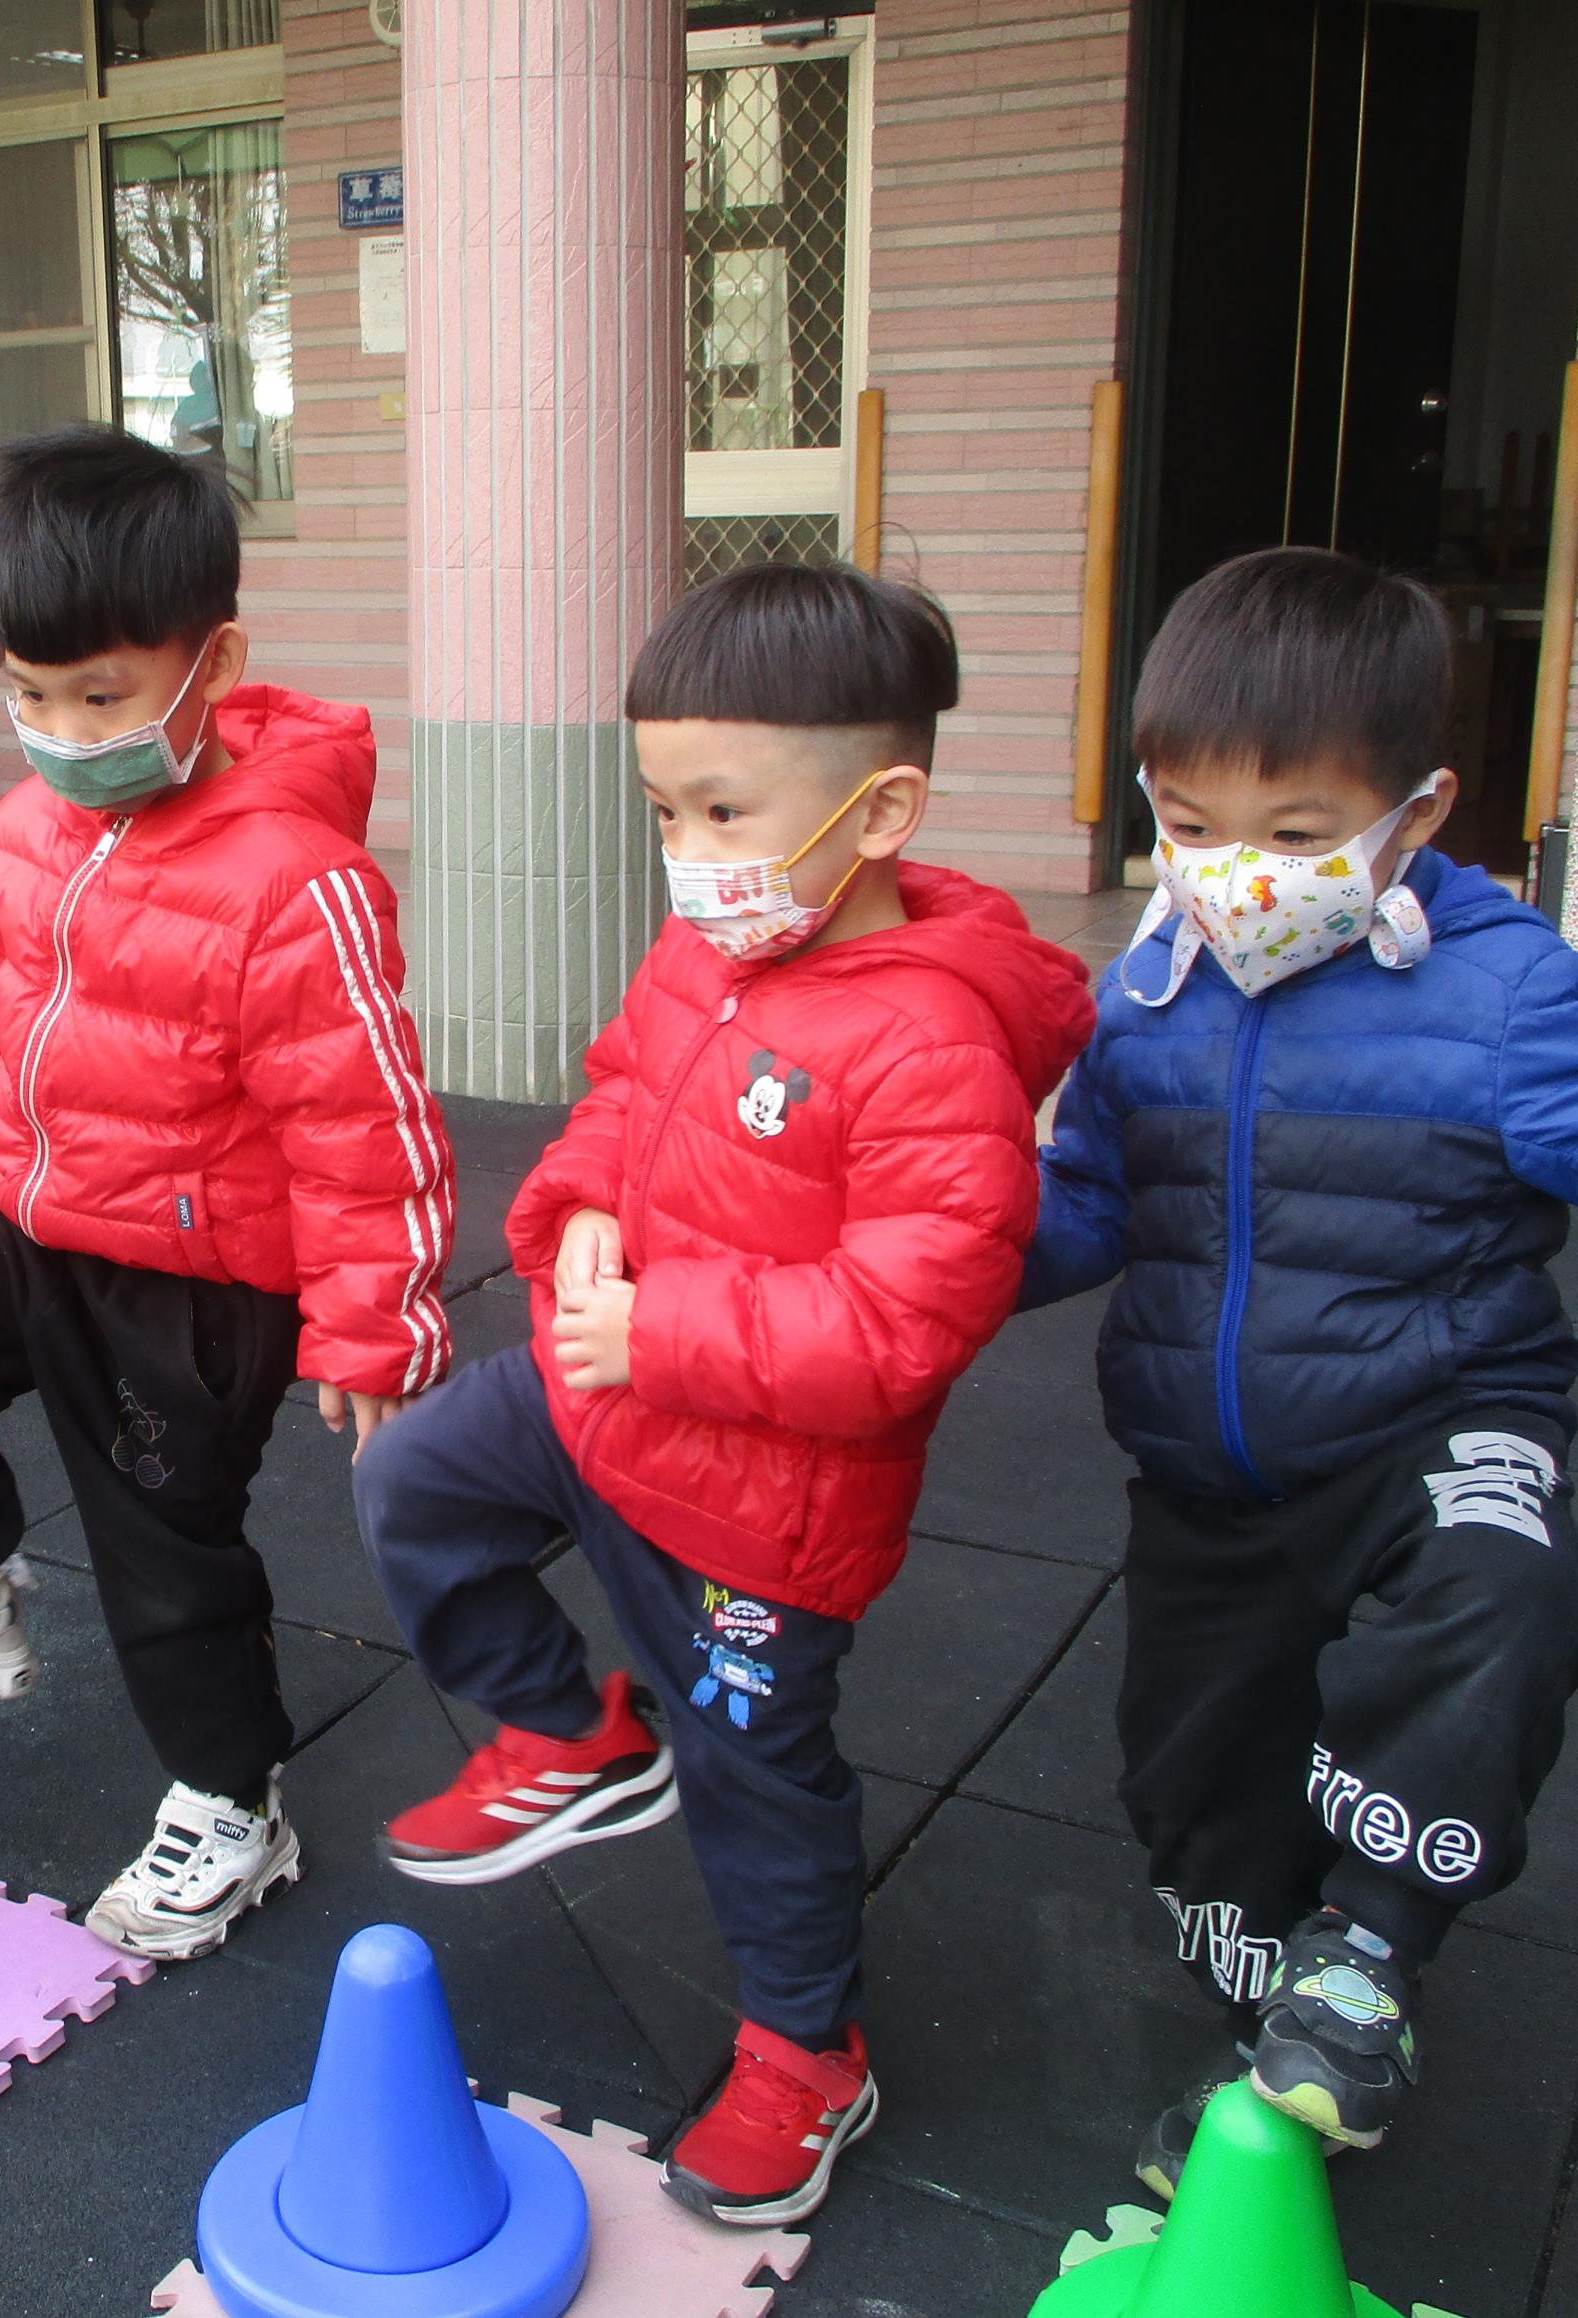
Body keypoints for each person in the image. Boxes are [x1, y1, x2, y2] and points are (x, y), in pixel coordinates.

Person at [350, 564, 1097, 2228]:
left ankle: (803, 2050)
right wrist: (579, 1203)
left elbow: (908, 1319)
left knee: (758, 1779)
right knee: (414, 1483)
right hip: (602, 1399)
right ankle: (569, 1727)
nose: (687, 852)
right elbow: (622, 1092)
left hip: (760, 1509)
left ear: (878, 809)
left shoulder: (931, 1045)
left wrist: (665, 1329)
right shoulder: (706, 950)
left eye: (721, 809)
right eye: (663, 809)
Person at [1023, 545, 1578, 2192]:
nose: (1235, 875)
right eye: (1190, 825)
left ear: (1414, 814)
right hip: (1210, 1479)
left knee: (1503, 1588)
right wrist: (921, 1255)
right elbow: (1085, 1199)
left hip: (1430, 1423)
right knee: (1196, 1807)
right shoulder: (1143, 989)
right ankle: (1282, 2047)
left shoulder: (1497, 991)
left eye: (1296, 836)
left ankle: (1369, 1944)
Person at [0, 426, 455, 1963]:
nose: (62, 732)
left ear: (213, 665)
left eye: (103, 697)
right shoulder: (30, 828)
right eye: (30, 694)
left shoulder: (294, 881)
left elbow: (363, 1121)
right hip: (31, 1215)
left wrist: (375, 1328)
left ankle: (230, 1798)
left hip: (190, 1282)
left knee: (159, 1543)